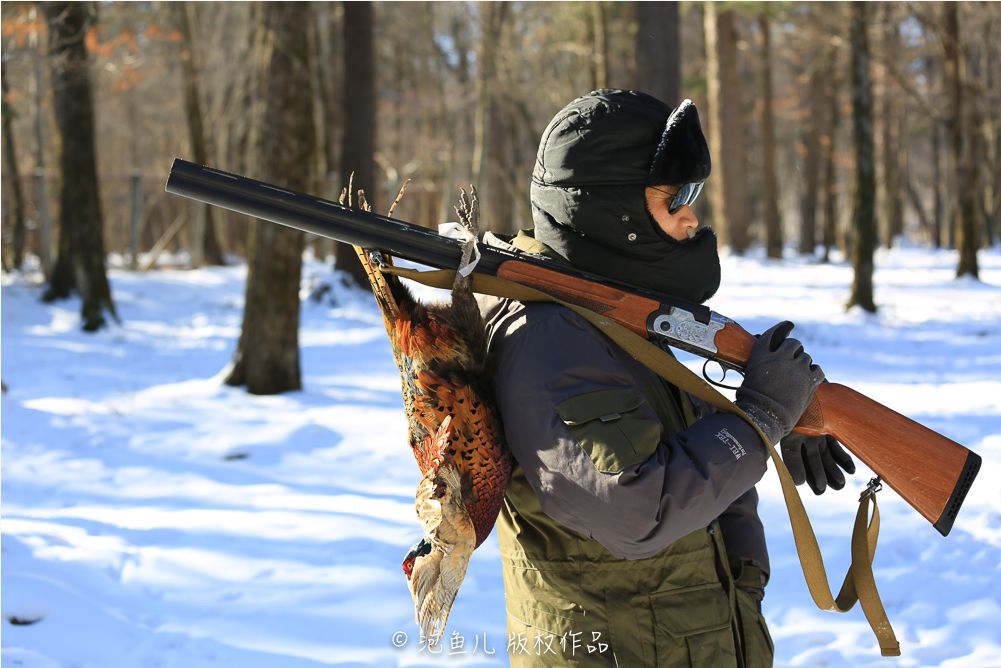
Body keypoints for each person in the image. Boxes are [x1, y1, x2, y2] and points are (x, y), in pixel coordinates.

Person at [476, 89, 855, 666]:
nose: (692, 216)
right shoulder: (549, 336)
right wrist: (759, 422)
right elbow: (638, 512)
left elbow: (685, 451)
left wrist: (743, 577)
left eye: (693, 195)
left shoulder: (615, 313)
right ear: (612, 211)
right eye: (674, 198)